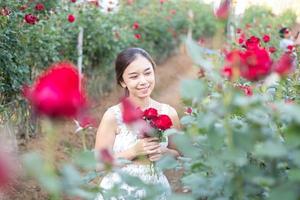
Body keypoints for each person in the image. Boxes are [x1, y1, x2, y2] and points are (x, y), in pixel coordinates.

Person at [94, 47, 181, 199]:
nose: (143, 81)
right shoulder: (113, 116)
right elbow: (99, 164)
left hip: (156, 190)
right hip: (119, 191)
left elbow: (179, 154)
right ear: (122, 82)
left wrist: (164, 152)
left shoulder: (168, 113)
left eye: (147, 73)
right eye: (134, 77)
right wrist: (133, 152)